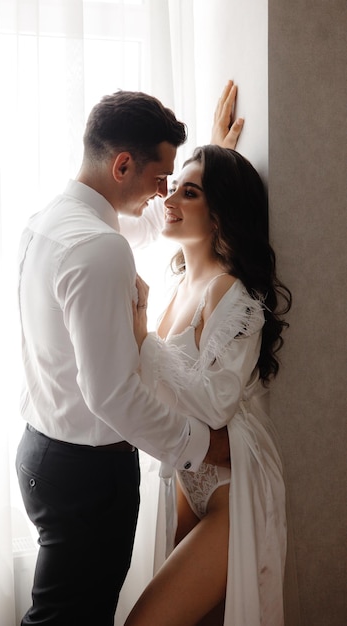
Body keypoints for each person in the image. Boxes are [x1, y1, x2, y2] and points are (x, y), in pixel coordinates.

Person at [15, 83, 243, 625]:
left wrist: (218, 162)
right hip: (86, 474)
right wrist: (203, 446)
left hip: (44, 453)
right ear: (122, 165)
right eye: (160, 178)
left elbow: (143, 225)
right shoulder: (99, 247)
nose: (164, 194)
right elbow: (112, 395)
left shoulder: (53, 222)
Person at [124, 145, 292, 626]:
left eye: (189, 192)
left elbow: (215, 404)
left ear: (220, 216)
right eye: (173, 185)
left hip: (231, 489)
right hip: (188, 477)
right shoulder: (179, 288)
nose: (170, 198)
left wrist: (143, 336)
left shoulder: (230, 291)